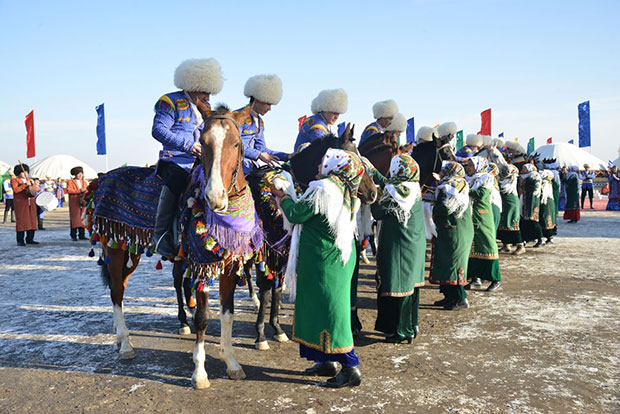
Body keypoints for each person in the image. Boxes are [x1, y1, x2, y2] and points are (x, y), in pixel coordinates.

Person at [272, 148, 364, 388]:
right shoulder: (345, 189)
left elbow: (296, 214)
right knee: (322, 310)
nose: (319, 164)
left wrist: (284, 196)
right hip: (332, 259)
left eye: (324, 161)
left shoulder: (323, 188)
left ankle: (350, 367)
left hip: (325, 262)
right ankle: (327, 360)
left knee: (332, 313)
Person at [151, 58, 224, 257]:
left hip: (200, 161)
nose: (207, 96)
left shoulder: (207, 108)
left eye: (210, 91)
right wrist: (189, 146)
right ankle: (160, 235)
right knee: (177, 181)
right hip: (174, 160)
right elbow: (158, 131)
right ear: (192, 85)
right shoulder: (169, 101)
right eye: (204, 90)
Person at [371, 154, 425, 343]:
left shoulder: (395, 195)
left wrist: (374, 194)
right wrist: (372, 171)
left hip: (400, 248)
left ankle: (403, 331)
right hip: (413, 246)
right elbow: (387, 182)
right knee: (411, 288)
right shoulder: (411, 187)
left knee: (400, 288)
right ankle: (412, 324)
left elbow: (377, 212)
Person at [429, 161, 474, 310]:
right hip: (448, 231)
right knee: (445, 263)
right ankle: (449, 296)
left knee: (454, 264)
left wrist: (430, 206)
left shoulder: (455, 185)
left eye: (444, 171)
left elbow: (446, 208)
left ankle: (460, 298)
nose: (441, 173)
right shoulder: (448, 184)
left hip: (456, 232)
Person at [233, 74, 290, 174]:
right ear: (258, 99)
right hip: (233, 169)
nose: (269, 108)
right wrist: (259, 155)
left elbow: (262, 149)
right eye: (268, 103)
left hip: (250, 168)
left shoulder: (259, 121)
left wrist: (286, 156)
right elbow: (233, 145)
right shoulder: (238, 117)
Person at [464, 157, 502, 292]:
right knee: (472, 247)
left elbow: (481, 195)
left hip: (482, 217)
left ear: (479, 166)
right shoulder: (467, 180)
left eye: (470, 165)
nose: (467, 168)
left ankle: (496, 279)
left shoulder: (486, 178)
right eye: (467, 165)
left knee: (488, 245)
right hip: (470, 216)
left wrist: (463, 189)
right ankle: (475, 279)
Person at [497, 165, 525, 255]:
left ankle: (520, 246)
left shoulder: (511, 181)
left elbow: (504, 189)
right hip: (504, 202)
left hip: (511, 202)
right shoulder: (502, 180)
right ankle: (506, 245)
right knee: (504, 223)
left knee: (513, 224)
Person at [10, 164, 38, 246]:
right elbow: (16, 190)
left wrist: (33, 185)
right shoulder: (15, 180)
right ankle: (20, 240)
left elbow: (36, 190)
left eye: (26, 171)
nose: (25, 173)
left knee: (32, 220)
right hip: (21, 203)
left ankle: (30, 239)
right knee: (22, 221)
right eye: (23, 172)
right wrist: (25, 185)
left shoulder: (29, 180)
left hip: (31, 203)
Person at [519, 163, 544, 246]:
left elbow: (535, 188)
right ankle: (526, 238)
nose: (523, 170)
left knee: (533, 219)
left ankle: (540, 238)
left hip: (532, 200)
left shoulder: (534, 176)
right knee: (524, 220)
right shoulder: (523, 176)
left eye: (525, 168)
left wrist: (525, 189)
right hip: (524, 199)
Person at [67, 167, 88, 240]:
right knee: (75, 218)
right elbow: (69, 191)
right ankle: (73, 235)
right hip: (74, 202)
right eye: (78, 174)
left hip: (82, 202)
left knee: (82, 217)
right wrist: (80, 191)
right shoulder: (70, 182)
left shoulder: (84, 182)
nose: (80, 175)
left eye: (81, 174)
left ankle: (82, 235)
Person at [539, 170, 557, 243]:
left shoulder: (545, 182)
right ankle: (548, 236)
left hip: (546, 202)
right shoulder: (547, 182)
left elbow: (544, 193)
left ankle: (549, 236)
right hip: (548, 202)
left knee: (546, 218)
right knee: (546, 218)